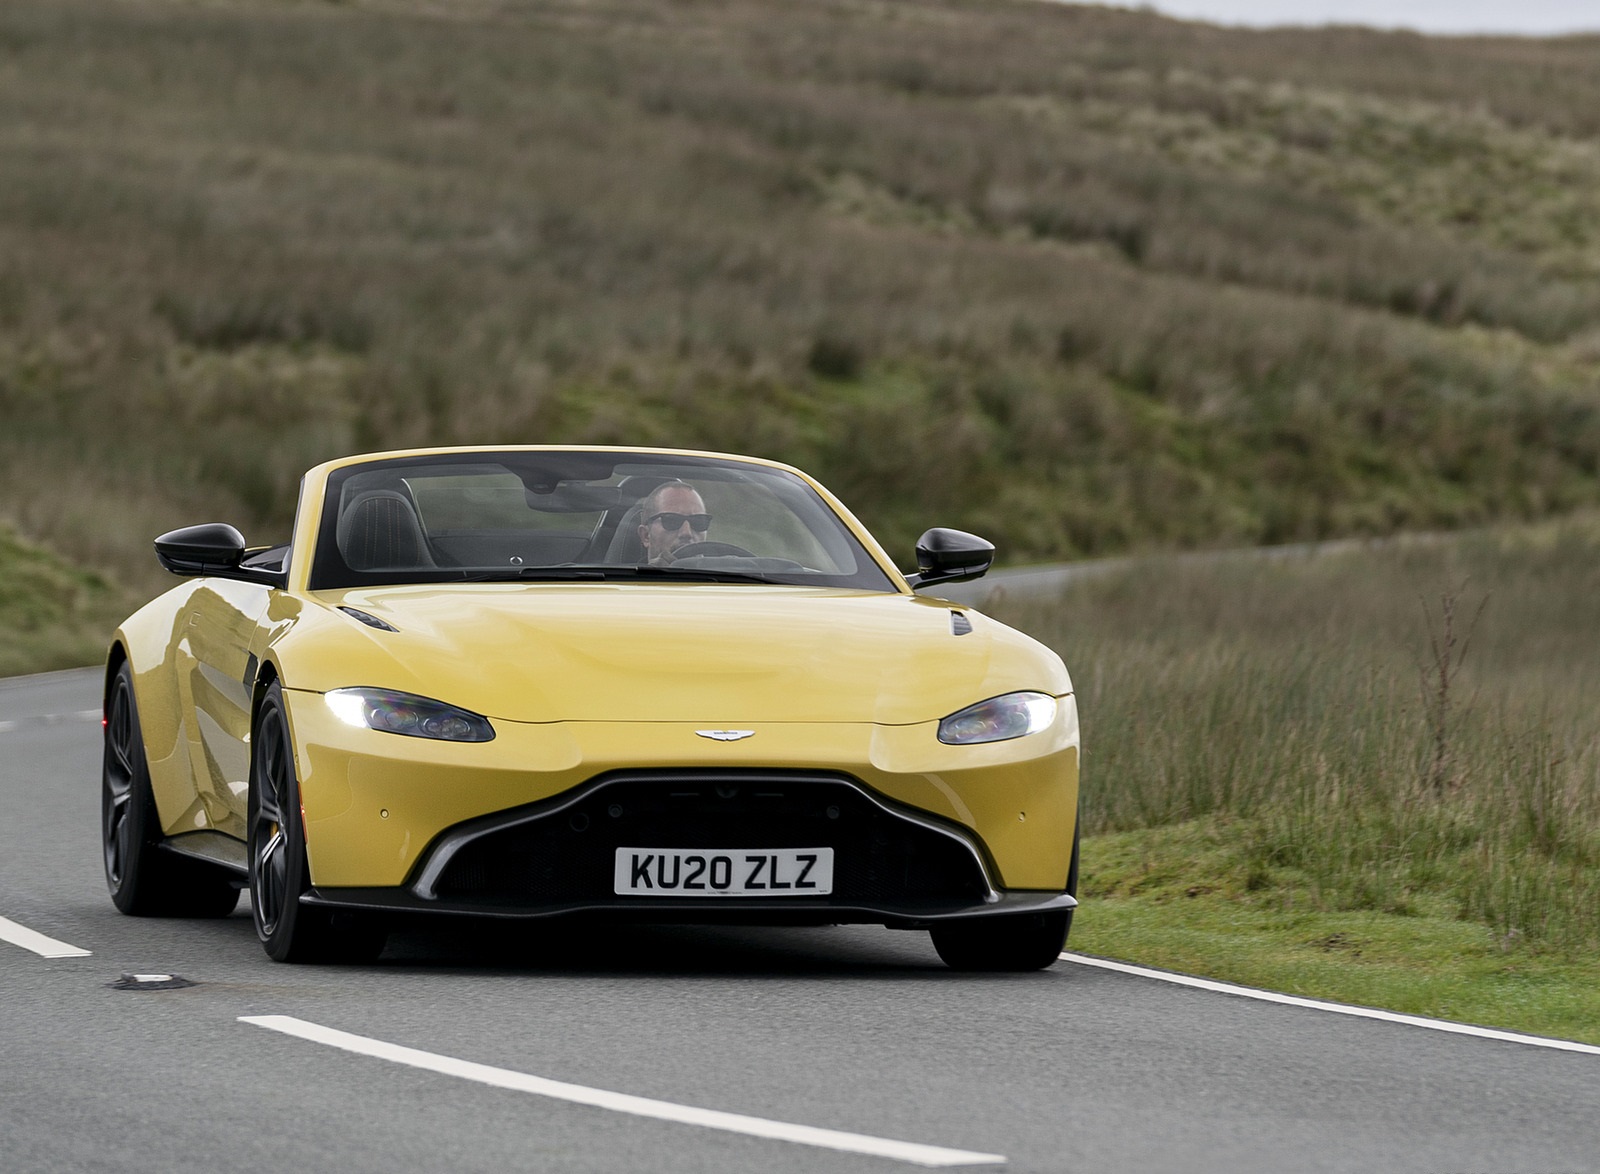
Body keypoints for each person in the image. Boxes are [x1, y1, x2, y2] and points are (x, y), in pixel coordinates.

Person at [636, 481, 712, 565]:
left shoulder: (723, 575)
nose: (687, 533)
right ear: (646, 535)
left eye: (698, 521)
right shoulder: (626, 577)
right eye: (672, 521)